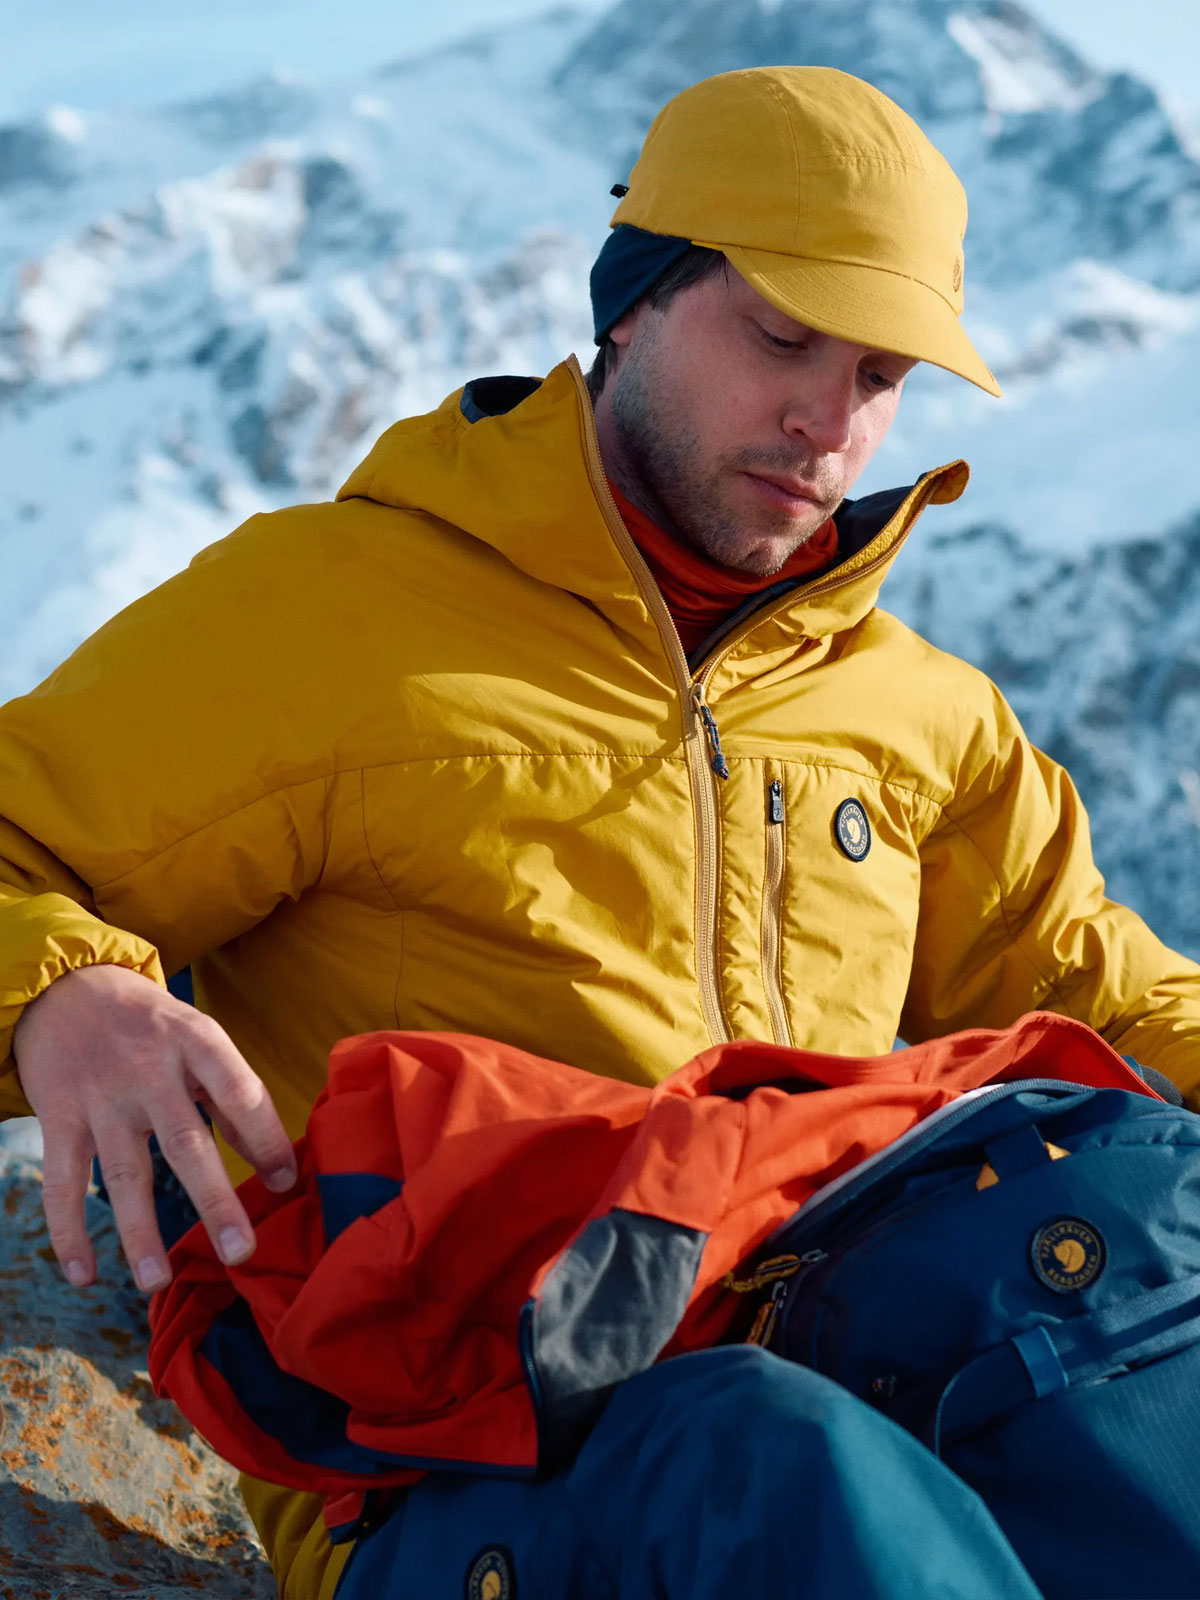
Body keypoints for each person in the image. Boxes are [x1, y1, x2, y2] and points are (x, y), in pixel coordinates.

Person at [1, 62, 1197, 1596]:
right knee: (756, 1456)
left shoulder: (923, 716)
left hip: (882, 1384)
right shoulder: (332, 620)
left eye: (882, 375)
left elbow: (1107, 992)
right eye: (782, 338)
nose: (829, 425)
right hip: (454, 1464)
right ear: (631, 303)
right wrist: (60, 986)